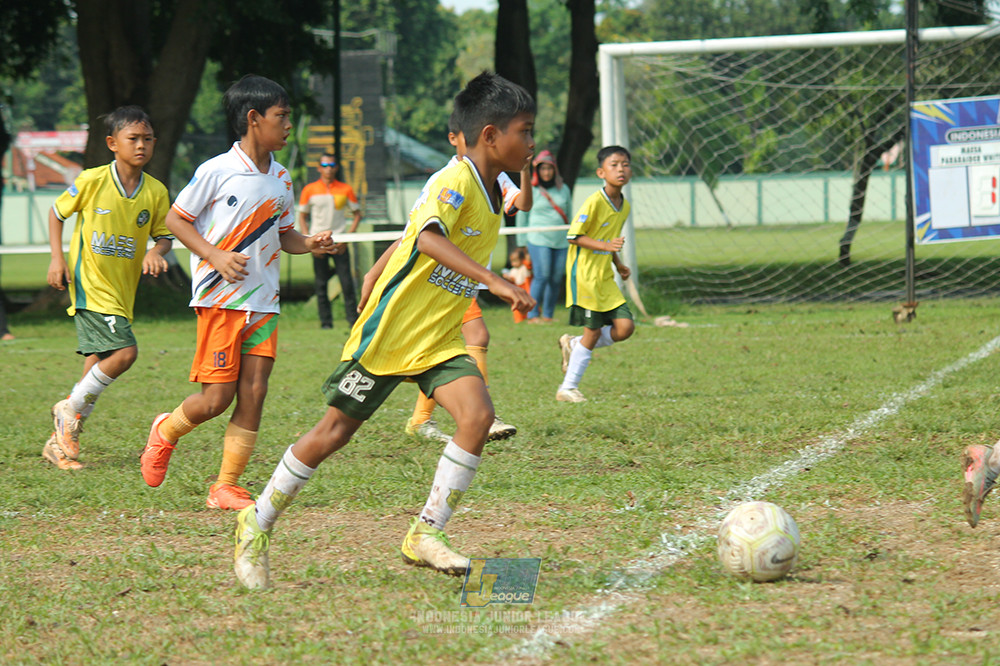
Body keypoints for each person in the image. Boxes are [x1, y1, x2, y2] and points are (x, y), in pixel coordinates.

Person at [230, 71, 536, 589]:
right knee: (333, 433)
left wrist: (376, 269)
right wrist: (494, 280)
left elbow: (412, 230)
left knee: (478, 415)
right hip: (391, 332)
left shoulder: (493, 186)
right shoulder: (454, 180)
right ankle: (256, 522)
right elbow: (429, 238)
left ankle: (425, 532)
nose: (530, 143)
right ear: (490, 135)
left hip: (437, 337)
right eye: (524, 131)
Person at [139, 75, 336, 510]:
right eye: (281, 116)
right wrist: (215, 255)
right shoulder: (216, 170)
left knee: (255, 392)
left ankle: (225, 485)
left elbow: (284, 235)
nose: (288, 124)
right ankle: (165, 430)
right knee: (216, 399)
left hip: (264, 302)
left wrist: (310, 244)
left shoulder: (282, 178)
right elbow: (175, 220)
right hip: (220, 301)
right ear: (253, 118)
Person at [44, 106, 172, 470]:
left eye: (147, 139)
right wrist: (57, 259)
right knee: (126, 353)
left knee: (96, 365)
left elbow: (165, 236)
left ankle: (59, 443)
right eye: (133, 139)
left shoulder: (156, 191)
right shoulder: (92, 180)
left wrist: (155, 251)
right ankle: (67, 411)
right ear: (112, 143)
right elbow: (56, 213)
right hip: (91, 285)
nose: (141, 145)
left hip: (122, 293)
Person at [395, 121, 531, 443]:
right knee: (467, 339)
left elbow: (522, 204)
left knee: (445, 346)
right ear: (453, 138)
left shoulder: (495, 176)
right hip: (439, 278)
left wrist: (525, 170)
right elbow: (417, 233)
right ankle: (481, 416)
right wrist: (374, 275)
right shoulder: (447, 179)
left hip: (462, 281)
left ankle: (421, 419)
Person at [556, 145, 636, 403]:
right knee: (593, 332)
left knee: (625, 328)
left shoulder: (624, 206)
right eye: (614, 165)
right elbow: (574, 236)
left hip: (604, 277)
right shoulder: (593, 202)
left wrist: (618, 263)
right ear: (601, 172)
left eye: (625, 164)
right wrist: (606, 246)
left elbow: (609, 240)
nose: (621, 169)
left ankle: (573, 344)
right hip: (585, 276)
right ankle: (567, 388)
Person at [298, 151, 361, 329]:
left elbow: (357, 214)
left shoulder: (345, 189)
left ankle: (353, 321)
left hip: (339, 242)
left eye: (332, 165)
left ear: (336, 168)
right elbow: (302, 216)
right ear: (319, 168)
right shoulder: (309, 190)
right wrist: (309, 242)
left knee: (346, 283)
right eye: (325, 165)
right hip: (318, 243)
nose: (328, 169)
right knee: (321, 284)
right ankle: (326, 322)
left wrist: (347, 239)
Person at [516, 149, 571, 323]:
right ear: (537, 171)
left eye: (549, 168)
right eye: (543, 169)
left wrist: (572, 237)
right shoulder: (531, 189)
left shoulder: (563, 189)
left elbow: (569, 214)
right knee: (542, 276)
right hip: (538, 239)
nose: (546, 172)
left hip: (561, 240)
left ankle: (548, 315)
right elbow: (522, 216)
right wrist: (522, 243)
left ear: (555, 170)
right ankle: (532, 314)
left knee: (556, 278)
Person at [502, 247, 532, 323]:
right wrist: (507, 278)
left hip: (526, 289)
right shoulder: (513, 270)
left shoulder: (524, 268)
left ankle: (530, 317)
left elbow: (528, 263)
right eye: (512, 261)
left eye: (515, 261)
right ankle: (519, 319)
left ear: (522, 260)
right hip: (517, 291)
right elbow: (513, 280)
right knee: (517, 305)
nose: (513, 263)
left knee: (528, 305)